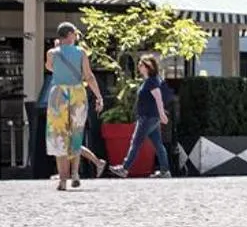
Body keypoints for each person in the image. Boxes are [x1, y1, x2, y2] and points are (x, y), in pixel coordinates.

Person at [44, 21, 104, 191]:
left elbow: (49, 67)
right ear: (70, 35)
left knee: (58, 136)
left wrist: (57, 49)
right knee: (76, 134)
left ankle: (63, 180)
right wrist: (98, 96)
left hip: (58, 95)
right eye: (75, 34)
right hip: (77, 94)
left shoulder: (51, 53)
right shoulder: (81, 52)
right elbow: (89, 76)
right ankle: (75, 174)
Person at [110, 54, 173, 178]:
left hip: (148, 117)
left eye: (141, 65)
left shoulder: (151, 81)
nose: (138, 67)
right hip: (150, 117)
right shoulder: (150, 80)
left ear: (147, 67)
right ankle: (165, 171)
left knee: (136, 141)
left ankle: (125, 168)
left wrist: (161, 113)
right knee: (158, 144)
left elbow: (158, 98)